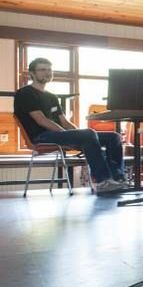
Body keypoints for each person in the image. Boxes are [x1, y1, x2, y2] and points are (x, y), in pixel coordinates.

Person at [14, 58, 128, 194]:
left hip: (57, 134)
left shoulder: (52, 97)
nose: (47, 73)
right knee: (88, 134)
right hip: (40, 137)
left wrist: (77, 133)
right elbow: (41, 120)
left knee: (113, 137)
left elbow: (65, 122)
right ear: (32, 74)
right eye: (42, 69)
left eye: (49, 70)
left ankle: (117, 179)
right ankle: (103, 181)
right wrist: (69, 136)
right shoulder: (25, 93)